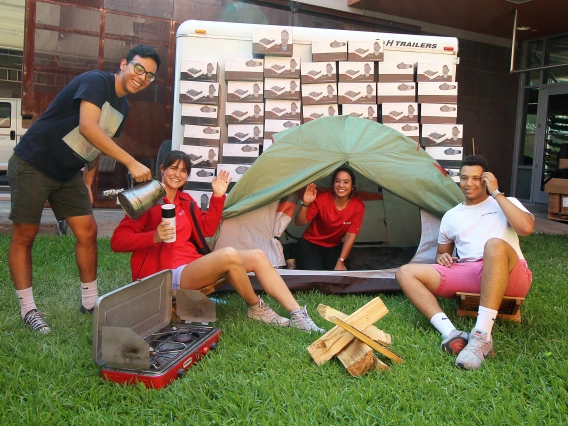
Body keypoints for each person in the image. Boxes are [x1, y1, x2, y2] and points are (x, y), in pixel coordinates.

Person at [7, 45, 161, 334]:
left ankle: (90, 304)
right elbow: (88, 127)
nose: (142, 78)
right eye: (139, 69)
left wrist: (88, 184)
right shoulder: (96, 81)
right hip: (34, 161)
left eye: (149, 76)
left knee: (88, 231)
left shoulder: (123, 107)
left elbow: (94, 145)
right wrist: (130, 162)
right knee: (26, 234)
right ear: (125, 63)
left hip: (67, 174)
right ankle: (28, 309)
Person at [111, 151, 324, 333]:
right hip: (167, 274)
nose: (178, 174)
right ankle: (257, 308)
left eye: (184, 171)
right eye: (173, 168)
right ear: (162, 169)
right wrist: (154, 237)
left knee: (258, 255)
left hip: (192, 265)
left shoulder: (186, 201)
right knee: (229, 255)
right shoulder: (147, 201)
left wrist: (218, 196)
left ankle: (298, 315)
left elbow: (207, 229)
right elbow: (117, 241)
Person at [395, 155, 534, 370]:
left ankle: (482, 336)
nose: (469, 184)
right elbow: (442, 254)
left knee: (494, 245)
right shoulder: (451, 215)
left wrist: (497, 193)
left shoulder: (505, 203)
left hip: (510, 273)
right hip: (470, 273)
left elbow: (526, 228)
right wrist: (442, 257)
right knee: (405, 272)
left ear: (486, 180)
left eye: (476, 178)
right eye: (464, 178)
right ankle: (450, 333)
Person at [294, 166, 365, 271]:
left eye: (346, 182)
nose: (341, 185)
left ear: (352, 186)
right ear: (333, 184)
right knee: (315, 274)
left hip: (333, 246)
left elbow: (350, 236)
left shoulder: (358, 206)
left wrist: (341, 261)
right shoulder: (322, 199)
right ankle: (292, 256)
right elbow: (299, 222)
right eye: (337, 181)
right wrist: (306, 203)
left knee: (337, 275)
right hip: (310, 243)